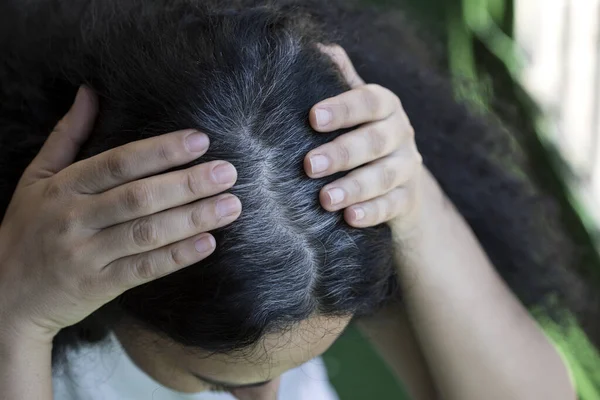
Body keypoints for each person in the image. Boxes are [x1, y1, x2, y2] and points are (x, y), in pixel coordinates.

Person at [0, 1, 585, 399]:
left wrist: (407, 190)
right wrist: (16, 319)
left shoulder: (302, 259)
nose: (271, 397)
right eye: (212, 376)